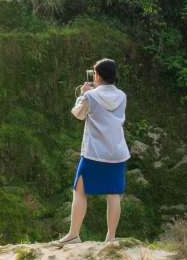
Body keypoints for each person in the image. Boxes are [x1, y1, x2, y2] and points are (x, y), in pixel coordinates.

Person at [52, 58, 129, 247]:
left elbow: (78, 114)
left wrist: (83, 94)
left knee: (79, 191)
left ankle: (73, 234)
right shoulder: (122, 96)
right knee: (114, 194)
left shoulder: (91, 96)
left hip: (95, 151)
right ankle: (110, 238)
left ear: (99, 76)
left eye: (94, 73)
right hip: (117, 151)